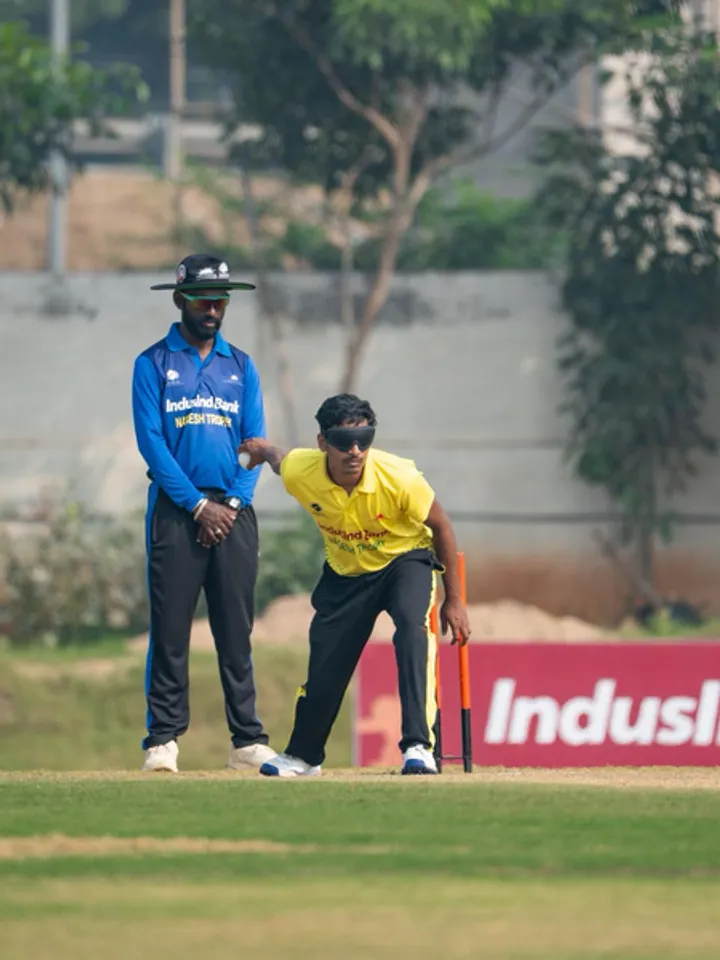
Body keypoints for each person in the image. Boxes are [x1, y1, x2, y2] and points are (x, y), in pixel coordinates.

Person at [238, 393, 471, 777]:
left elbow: (441, 526)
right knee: (327, 662)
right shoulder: (301, 470)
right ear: (322, 443)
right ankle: (303, 756)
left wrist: (455, 600)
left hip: (404, 560)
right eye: (344, 442)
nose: (355, 451)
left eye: (365, 438)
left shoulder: (399, 478)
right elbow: (281, 459)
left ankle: (418, 746)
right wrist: (263, 450)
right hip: (346, 574)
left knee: (412, 631)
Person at [131, 253, 276, 774]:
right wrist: (197, 504)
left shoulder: (241, 366)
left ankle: (246, 741)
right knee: (171, 628)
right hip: (176, 508)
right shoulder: (152, 364)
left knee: (235, 630)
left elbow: (255, 447)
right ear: (180, 300)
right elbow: (152, 444)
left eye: (220, 300)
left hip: (234, 512)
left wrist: (231, 503)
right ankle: (163, 740)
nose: (212, 309)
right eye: (202, 300)